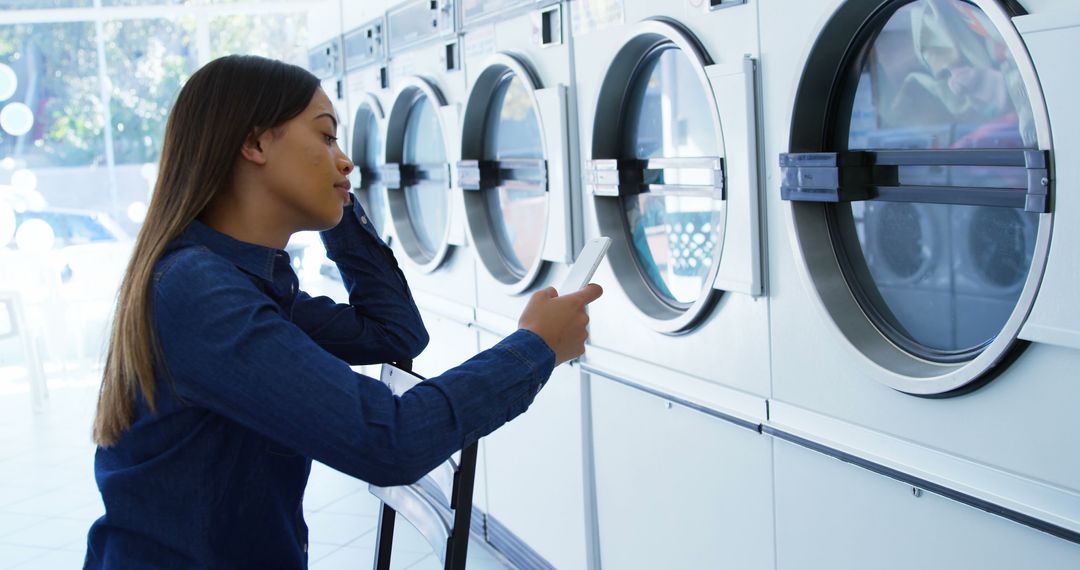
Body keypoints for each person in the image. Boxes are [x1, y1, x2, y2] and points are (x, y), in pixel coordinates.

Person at [84, 54, 602, 568]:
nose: (346, 159)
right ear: (255, 143)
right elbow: (389, 440)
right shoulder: (199, 291)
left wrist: (335, 201)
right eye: (327, 137)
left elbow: (394, 333)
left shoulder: (240, 281)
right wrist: (535, 348)